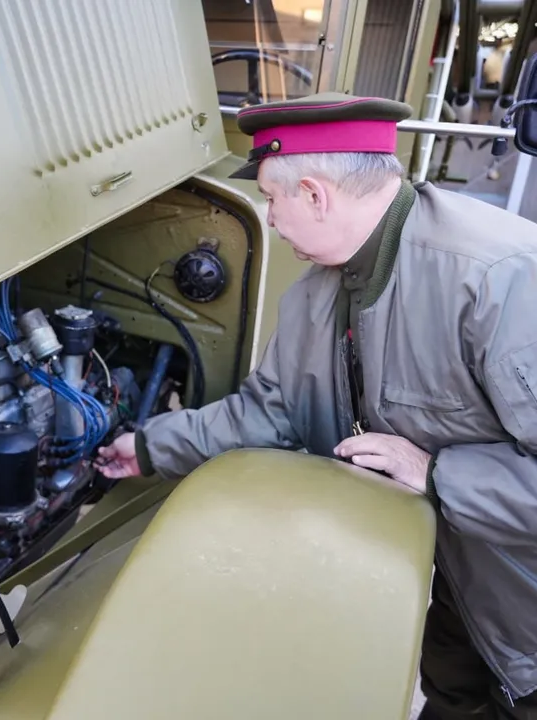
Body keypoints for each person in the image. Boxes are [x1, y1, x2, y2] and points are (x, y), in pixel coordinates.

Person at [95, 92, 537, 719]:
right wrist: (145, 447)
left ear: (314, 194)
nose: (270, 220)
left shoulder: (500, 279)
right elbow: (266, 414)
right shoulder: (316, 295)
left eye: (273, 201)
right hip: (460, 601)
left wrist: (437, 474)